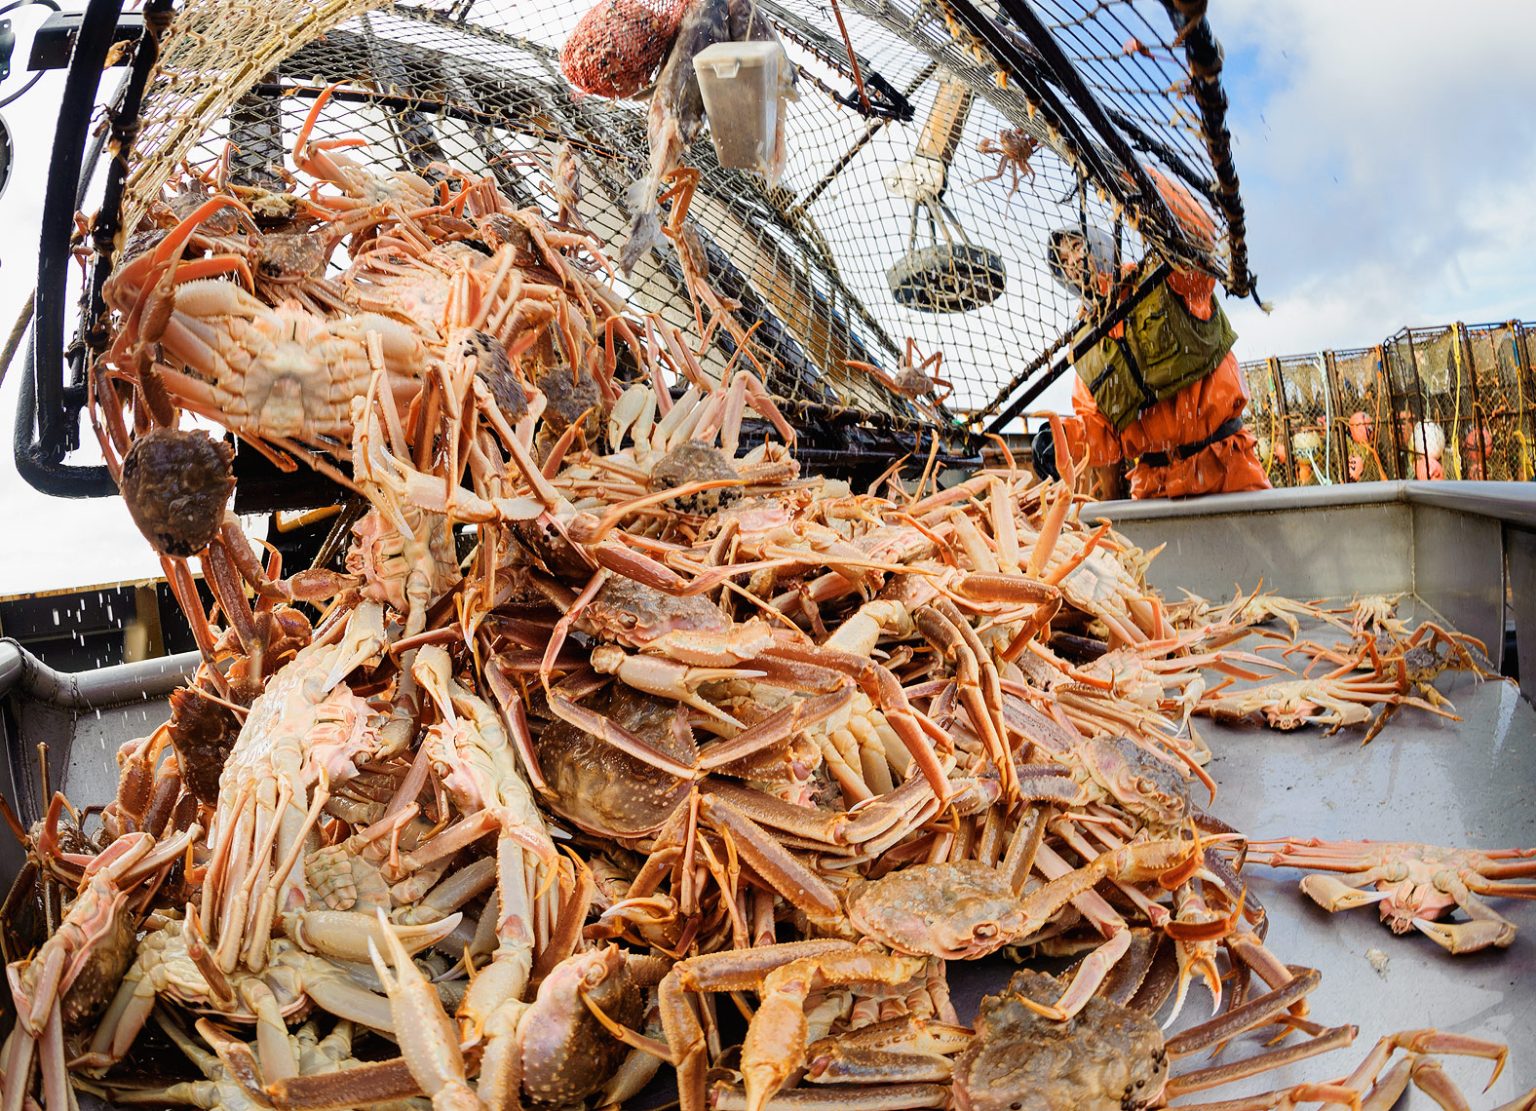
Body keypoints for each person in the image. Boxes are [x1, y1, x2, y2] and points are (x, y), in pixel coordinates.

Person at [1044, 169, 1270, 501]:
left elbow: (1199, 239)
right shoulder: (1087, 346)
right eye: (1063, 262)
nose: (1074, 261)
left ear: (1099, 242)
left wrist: (1133, 177)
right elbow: (1102, 433)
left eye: (1077, 246)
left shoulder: (1166, 280)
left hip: (1226, 471)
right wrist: (1062, 440)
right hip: (1153, 487)